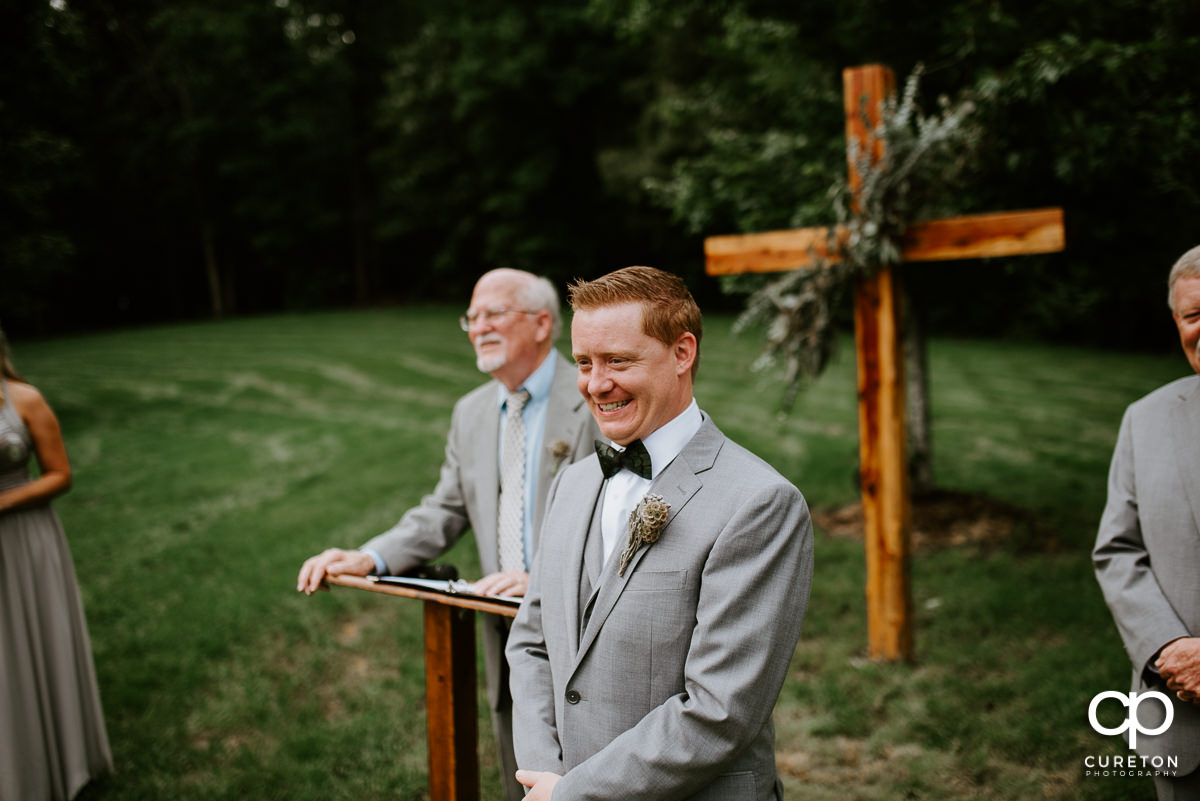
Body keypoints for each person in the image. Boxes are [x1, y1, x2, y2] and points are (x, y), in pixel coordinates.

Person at [506, 265, 814, 801]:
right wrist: (542, 776)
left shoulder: (759, 503)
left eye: (618, 361)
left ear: (682, 353)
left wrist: (576, 793)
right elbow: (532, 642)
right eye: (583, 362)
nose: (596, 383)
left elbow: (720, 710)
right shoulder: (574, 483)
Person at [296, 268, 599, 801]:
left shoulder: (593, 395)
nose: (478, 326)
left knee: (594, 758)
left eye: (493, 313)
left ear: (542, 323)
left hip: (590, 619)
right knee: (521, 756)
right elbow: (446, 509)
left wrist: (546, 580)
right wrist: (371, 557)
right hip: (503, 622)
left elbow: (621, 514)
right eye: (471, 317)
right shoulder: (471, 412)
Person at [1094, 244, 1200, 800]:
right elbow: (1116, 552)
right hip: (1181, 719)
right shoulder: (1145, 419)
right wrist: (1171, 648)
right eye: (1194, 315)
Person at [0, 324, 113, 801]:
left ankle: (62, 764)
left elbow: (61, 475)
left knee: (35, 641)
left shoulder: (22, 399)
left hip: (25, 541)